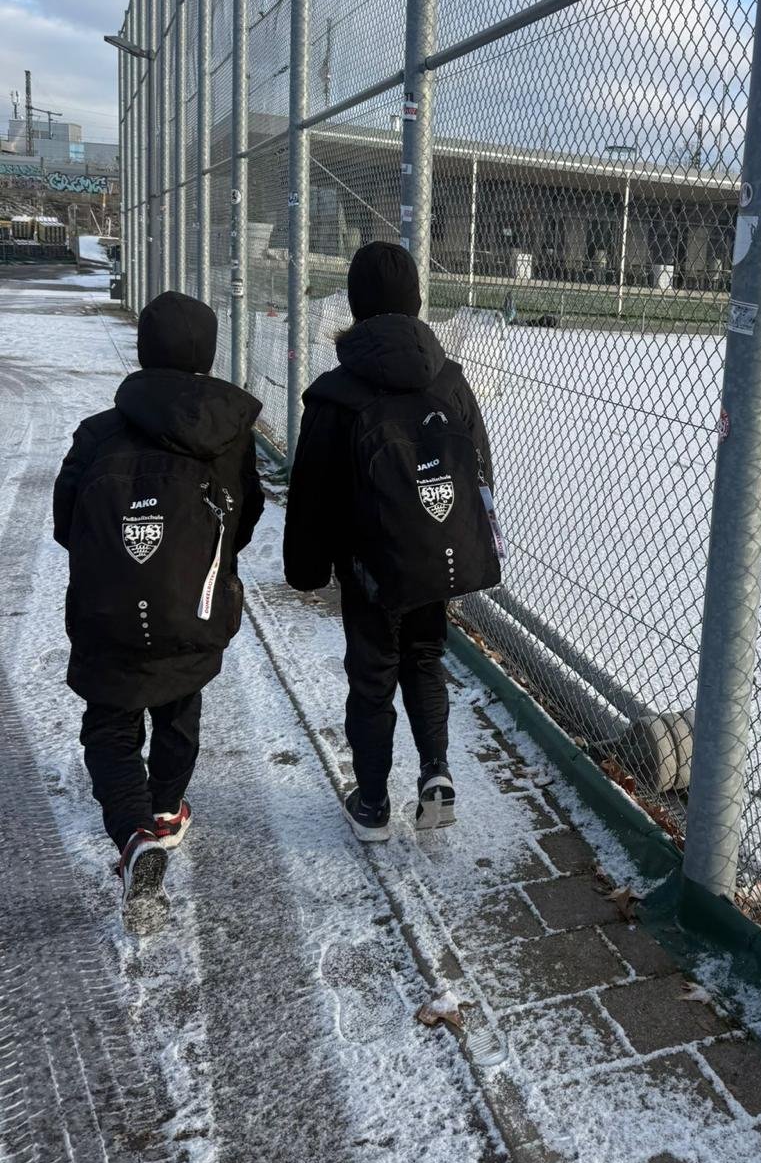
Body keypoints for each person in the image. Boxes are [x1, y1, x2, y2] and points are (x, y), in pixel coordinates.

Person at [53, 292, 264, 925]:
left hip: (108, 610)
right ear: (207, 355)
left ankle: (132, 831)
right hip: (190, 605)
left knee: (110, 723)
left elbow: (68, 522)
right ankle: (167, 809)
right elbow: (244, 519)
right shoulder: (224, 438)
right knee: (179, 701)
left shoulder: (96, 433)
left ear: (144, 351)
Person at [283, 241, 499, 842]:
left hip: (368, 566)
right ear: (416, 302)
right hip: (434, 556)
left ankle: (373, 803)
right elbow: (477, 466)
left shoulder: (337, 394)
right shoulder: (450, 381)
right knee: (425, 658)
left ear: (355, 305)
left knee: (372, 675)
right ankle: (436, 773)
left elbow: (312, 492)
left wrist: (305, 567)